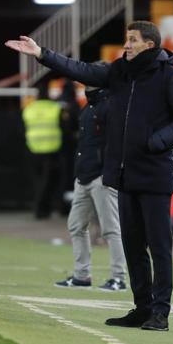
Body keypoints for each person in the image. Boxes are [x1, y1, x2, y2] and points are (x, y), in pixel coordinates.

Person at [6, 20, 173, 331]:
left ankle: (160, 313)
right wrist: (41, 53)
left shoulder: (169, 76)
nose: (127, 45)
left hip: (154, 174)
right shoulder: (118, 72)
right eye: (127, 39)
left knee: (159, 246)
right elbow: (80, 69)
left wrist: (156, 142)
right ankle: (141, 307)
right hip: (123, 175)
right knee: (133, 245)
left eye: (133, 40)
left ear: (150, 45)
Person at [55, 84, 127, 291]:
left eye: (90, 79)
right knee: (76, 225)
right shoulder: (89, 107)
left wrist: (109, 173)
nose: (86, 83)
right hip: (84, 176)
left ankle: (118, 277)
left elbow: (117, 143)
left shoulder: (110, 107)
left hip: (101, 177)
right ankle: (81, 275)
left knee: (111, 229)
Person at [22, 82, 64, 219]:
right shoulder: (55, 108)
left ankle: (41, 209)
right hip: (51, 149)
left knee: (38, 181)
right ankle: (42, 209)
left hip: (33, 149)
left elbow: (23, 128)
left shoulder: (29, 109)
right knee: (48, 182)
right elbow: (65, 127)